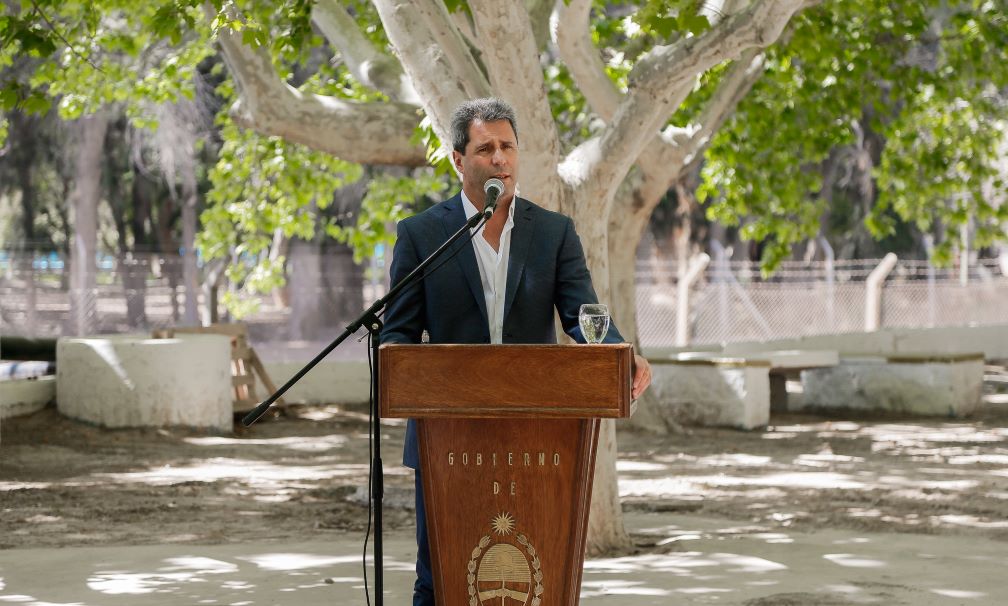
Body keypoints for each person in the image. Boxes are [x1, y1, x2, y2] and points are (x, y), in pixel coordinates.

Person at [380, 97, 652, 606]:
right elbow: (397, 336)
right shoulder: (421, 236)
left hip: (538, 437)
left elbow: (582, 314)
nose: (500, 158)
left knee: (539, 572)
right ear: (459, 160)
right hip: (447, 440)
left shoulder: (552, 232)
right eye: (485, 148)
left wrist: (620, 350)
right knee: (438, 579)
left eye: (508, 146)